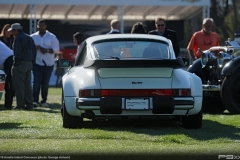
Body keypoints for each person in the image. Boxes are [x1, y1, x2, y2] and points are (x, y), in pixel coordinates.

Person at [31, 19, 60, 108]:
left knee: (45, 83)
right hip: (36, 63)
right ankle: (34, 101)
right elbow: (28, 48)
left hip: (48, 63)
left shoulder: (52, 36)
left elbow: (56, 49)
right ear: (37, 26)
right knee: (36, 82)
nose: (41, 28)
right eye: (39, 26)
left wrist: (46, 50)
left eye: (43, 26)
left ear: (46, 26)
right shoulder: (32, 36)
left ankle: (44, 101)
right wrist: (34, 48)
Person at [8, 23, 36, 110]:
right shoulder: (29, 37)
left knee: (19, 85)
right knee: (27, 85)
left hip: (20, 64)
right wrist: (32, 62)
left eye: (12, 30)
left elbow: (18, 53)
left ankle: (20, 105)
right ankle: (29, 104)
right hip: (29, 63)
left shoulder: (18, 38)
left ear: (16, 30)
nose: (12, 32)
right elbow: (34, 51)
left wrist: (15, 64)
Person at [0, 41, 14, 110]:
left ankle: (8, 104)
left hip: (9, 61)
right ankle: (8, 104)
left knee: (9, 84)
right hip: (7, 61)